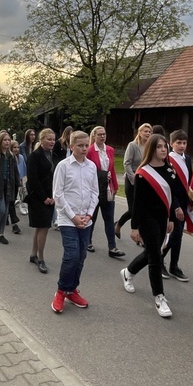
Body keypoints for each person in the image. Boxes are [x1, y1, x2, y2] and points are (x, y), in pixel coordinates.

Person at [119, 134, 179, 318]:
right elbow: (138, 202)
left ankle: (128, 272)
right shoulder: (143, 173)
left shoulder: (169, 170)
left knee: (152, 252)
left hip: (162, 218)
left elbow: (171, 196)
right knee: (155, 257)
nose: (163, 149)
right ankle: (159, 297)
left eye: (165, 147)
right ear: (151, 149)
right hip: (146, 219)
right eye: (159, 146)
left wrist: (171, 218)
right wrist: (134, 227)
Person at [51, 130, 99, 313]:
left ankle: (72, 289)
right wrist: (73, 216)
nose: (85, 148)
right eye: (80, 145)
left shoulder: (91, 167)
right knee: (71, 255)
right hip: (67, 218)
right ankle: (61, 290)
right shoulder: (63, 166)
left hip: (86, 218)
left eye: (87, 145)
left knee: (81, 256)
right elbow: (58, 194)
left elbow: (95, 192)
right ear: (71, 147)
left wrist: (89, 214)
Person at [161, 129, 193, 281]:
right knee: (172, 234)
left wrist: (192, 202)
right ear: (171, 143)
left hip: (184, 202)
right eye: (178, 143)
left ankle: (174, 266)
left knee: (178, 235)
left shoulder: (187, 159)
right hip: (171, 203)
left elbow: (191, 181)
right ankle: (159, 259)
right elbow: (168, 185)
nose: (182, 146)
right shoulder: (167, 159)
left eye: (184, 143)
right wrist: (175, 206)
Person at [86, 126, 125, 257]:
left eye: (104, 134)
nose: (102, 137)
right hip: (95, 189)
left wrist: (115, 186)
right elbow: (89, 170)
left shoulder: (110, 150)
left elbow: (112, 169)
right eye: (99, 134)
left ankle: (112, 247)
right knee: (93, 216)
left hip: (108, 188)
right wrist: (102, 175)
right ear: (94, 136)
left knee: (109, 218)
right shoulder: (90, 151)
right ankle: (88, 241)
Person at [26, 128, 60, 274]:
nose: (52, 142)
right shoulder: (35, 156)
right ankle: (40, 259)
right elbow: (32, 180)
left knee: (41, 227)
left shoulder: (54, 155)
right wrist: (44, 197)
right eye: (49, 139)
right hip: (38, 198)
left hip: (51, 197)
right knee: (44, 227)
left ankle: (33, 254)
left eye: (53, 139)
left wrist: (54, 196)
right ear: (41, 140)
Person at [115, 123, 152, 239]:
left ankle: (141, 235)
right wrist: (133, 179)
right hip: (132, 180)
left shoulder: (150, 146)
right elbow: (126, 163)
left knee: (141, 208)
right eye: (145, 131)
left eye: (150, 132)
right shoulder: (133, 145)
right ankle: (118, 224)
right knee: (133, 210)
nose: (148, 133)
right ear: (140, 133)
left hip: (145, 180)